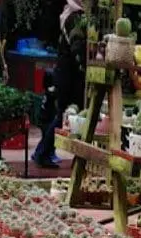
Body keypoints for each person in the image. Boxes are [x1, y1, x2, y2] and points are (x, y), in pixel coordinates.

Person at [31, 0, 86, 168]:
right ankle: (42, 152)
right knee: (63, 116)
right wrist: (84, 61)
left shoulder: (71, 14)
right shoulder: (74, 18)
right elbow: (77, 44)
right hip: (69, 76)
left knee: (62, 115)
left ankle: (43, 152)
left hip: (66, 74)